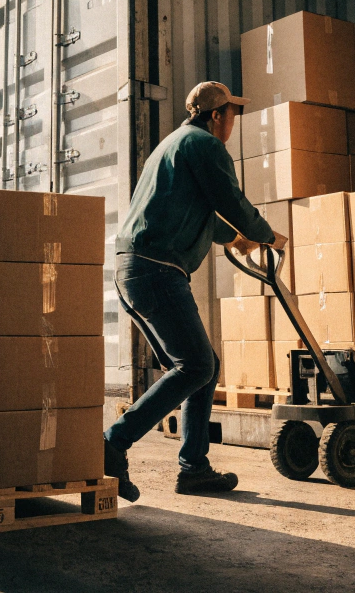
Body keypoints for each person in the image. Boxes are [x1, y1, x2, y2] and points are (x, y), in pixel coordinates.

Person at [103, 81, 287, 501]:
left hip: (133, 268)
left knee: (201, 368)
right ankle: (113, 442)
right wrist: (265, 235)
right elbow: (231, 201)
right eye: (232, 115)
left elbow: (198, 207)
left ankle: (194, 468)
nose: (233, 123)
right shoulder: (205, 144)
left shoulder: (174, 144)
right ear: (216, 116)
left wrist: (235, 239)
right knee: (196, 365)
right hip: (156, 269)